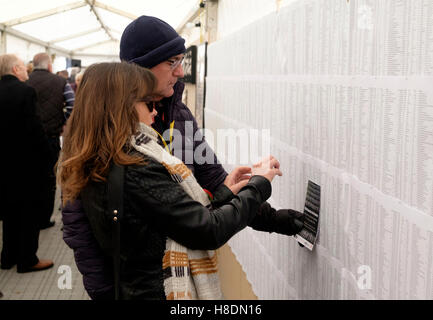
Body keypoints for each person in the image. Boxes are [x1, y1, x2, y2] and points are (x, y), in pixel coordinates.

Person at [61, 15, 304, 300]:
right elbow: (78, 224)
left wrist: (274, 219)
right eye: (172, 62)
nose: (180, 72)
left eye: (181, 61)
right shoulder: (110, 139)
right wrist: (104, 291)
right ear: (140, 72)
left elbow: (210, 182)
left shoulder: (179, 116)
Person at [0, 54, 54, 273]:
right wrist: (49, 154)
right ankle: (27, 259)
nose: (26, 71)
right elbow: (34, 128)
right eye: (23, 67)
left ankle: (7, 256)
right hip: (27, 164)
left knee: (9, 211)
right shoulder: (26, 92)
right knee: (30, 212)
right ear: (15, 69)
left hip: (3, 165)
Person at [27, 52, 75, 229]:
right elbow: (72, 104)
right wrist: (62, 122)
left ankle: (29, 214)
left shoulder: (25, 80)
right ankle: (44, 219)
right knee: (49, 179)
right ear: (49, 66)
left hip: (28, 138)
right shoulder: (60, 82)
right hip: (51, 138)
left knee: (30, 177)